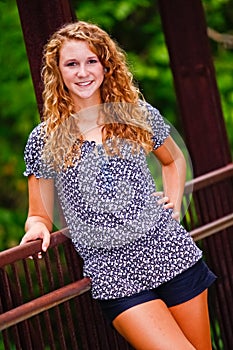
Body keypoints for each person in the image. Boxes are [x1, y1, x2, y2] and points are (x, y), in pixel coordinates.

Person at [20, 21, 216, 350]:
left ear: (106, 65)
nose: (82, 72)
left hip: (173, 256)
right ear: (58, 72)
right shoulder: (45, 139)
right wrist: (35, 228)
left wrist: (174, 204)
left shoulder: (136, 114)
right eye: (71, 64)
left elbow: (173, 160)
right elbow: (38, 214)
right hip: (115, 277)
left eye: (91, 61)